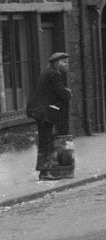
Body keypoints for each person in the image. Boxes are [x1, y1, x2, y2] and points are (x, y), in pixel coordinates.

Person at [26, 51, 71, 181]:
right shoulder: (54, 75)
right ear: (56, 63)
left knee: (45, 141)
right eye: (64, 62)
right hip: (43, 112)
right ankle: (44, 173)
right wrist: (67, 93)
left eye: (67, 62)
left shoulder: (51, 73)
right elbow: (60, 92)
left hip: (42, 111)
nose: (66, 65)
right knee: (45, 142)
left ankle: (46, 170)